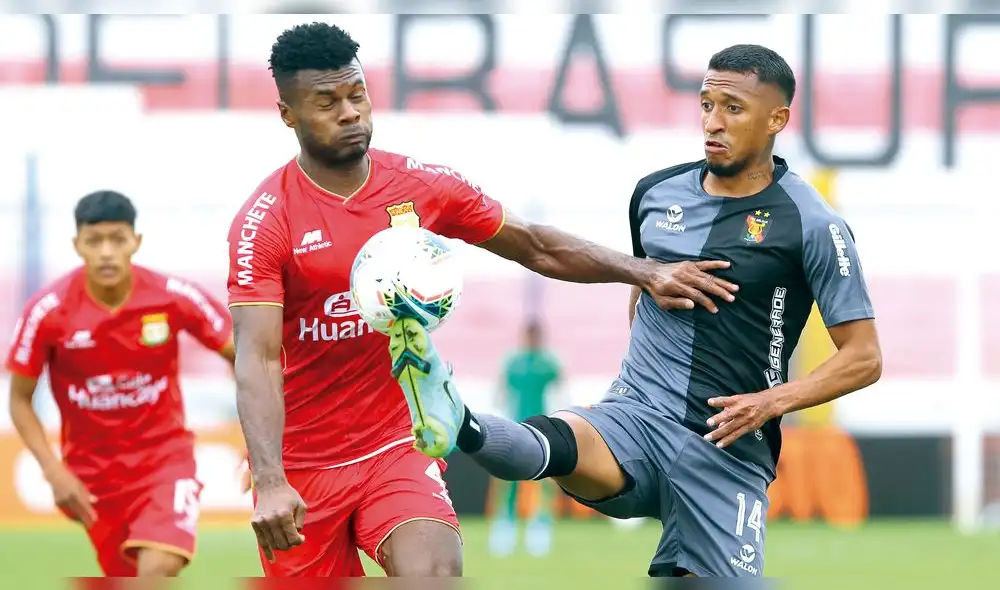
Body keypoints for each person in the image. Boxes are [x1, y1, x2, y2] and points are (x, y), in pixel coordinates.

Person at [226, 22, 738, 578]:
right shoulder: (266, 221)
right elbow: (258, 357)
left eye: (357, 94)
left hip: (397, 443)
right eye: (327, 103)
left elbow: (535, 245)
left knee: (435, 573)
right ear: (288, 113)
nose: (350, 113)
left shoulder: (419, 185)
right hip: (302, 467)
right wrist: (270, 480)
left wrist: (644, 271)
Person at [393, 44, 884, 578]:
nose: (713, 122)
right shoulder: (656, 193)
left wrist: (770, 402)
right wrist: (650, 368)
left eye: (733, 108)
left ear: (776, 120)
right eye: (706, 104)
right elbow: (643, 287)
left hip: (727, 452)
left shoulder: (813, 224)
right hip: (635, 418)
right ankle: (459, 421)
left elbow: (863, 357)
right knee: (557, 442)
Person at [5, 190, 235, 577]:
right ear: (77, 245)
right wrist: (53, 471)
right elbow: (19, 399)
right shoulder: (47, 311)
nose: (107, 252)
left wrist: (259, 438)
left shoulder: (172, 296)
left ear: (136, 241)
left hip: (164, 460)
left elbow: (244, 355)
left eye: (117, 239)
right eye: (95, 241)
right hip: (94, 478)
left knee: (158, 566)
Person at [489, 320, 561, 557]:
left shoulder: (549, 363)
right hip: (515, 427)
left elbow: (560, 392)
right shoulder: (513, 362)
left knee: (542, 480)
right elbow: (500, 393)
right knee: (509, 480)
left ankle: (539, 527)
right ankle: (505, 527)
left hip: (542, 430)